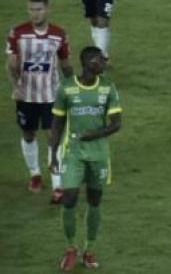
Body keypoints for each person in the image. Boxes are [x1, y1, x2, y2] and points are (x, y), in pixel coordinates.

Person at [49, 46, 121, 272]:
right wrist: (53, 153)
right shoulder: (67, 88)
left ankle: (89, 250)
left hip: (99, 154)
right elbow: (57, 123)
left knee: (94, 200)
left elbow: (117, 123)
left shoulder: (108, 87)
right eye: (101, 59)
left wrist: (94, 135)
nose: (105, 63)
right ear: (90, 62)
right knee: (69, 198)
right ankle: (71, 248)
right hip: (74, 153)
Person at [7, 0, 73, 203]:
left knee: (53, 138)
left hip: (51, 95)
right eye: (31, 10)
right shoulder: (18, 34)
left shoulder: (59, 34)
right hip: (26, 96)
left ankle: (58, 186)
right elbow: (11, 64)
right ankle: (35, 174)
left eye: (38, 9)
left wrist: (73, 88)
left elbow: (65, 64)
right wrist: (15, 86)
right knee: (28, 134)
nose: (34, 14)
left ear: (47, 9)